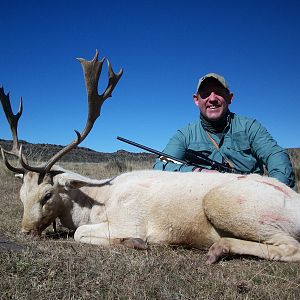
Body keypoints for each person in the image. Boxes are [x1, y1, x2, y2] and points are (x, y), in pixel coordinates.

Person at [153, 73, 296, 189]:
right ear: (196, 100)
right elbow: (160, 166)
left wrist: (274, 191)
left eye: (219, 93)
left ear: (230, 98)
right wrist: (199, 173)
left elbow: (275, 155)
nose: (212, 99)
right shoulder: (184, 135)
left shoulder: (249, 126)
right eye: (206, 94)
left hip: (248, 198)